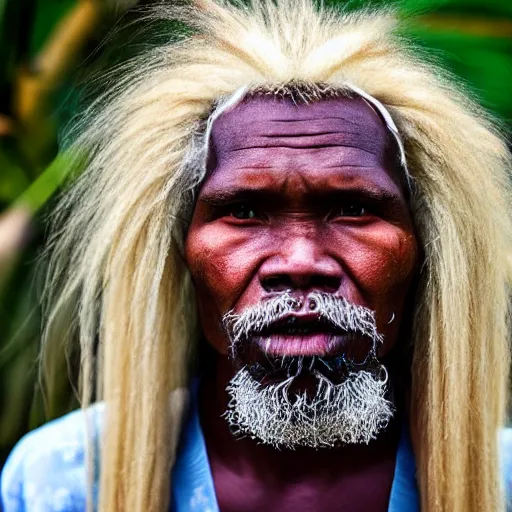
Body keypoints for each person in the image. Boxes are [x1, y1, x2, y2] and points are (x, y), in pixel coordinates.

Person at [2, 1, 512, 511]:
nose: (299, 260)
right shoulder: (61, 481)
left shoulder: (502, 483)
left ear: (424, 247)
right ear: (180, 247)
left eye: (355, 208)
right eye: (244, 212)